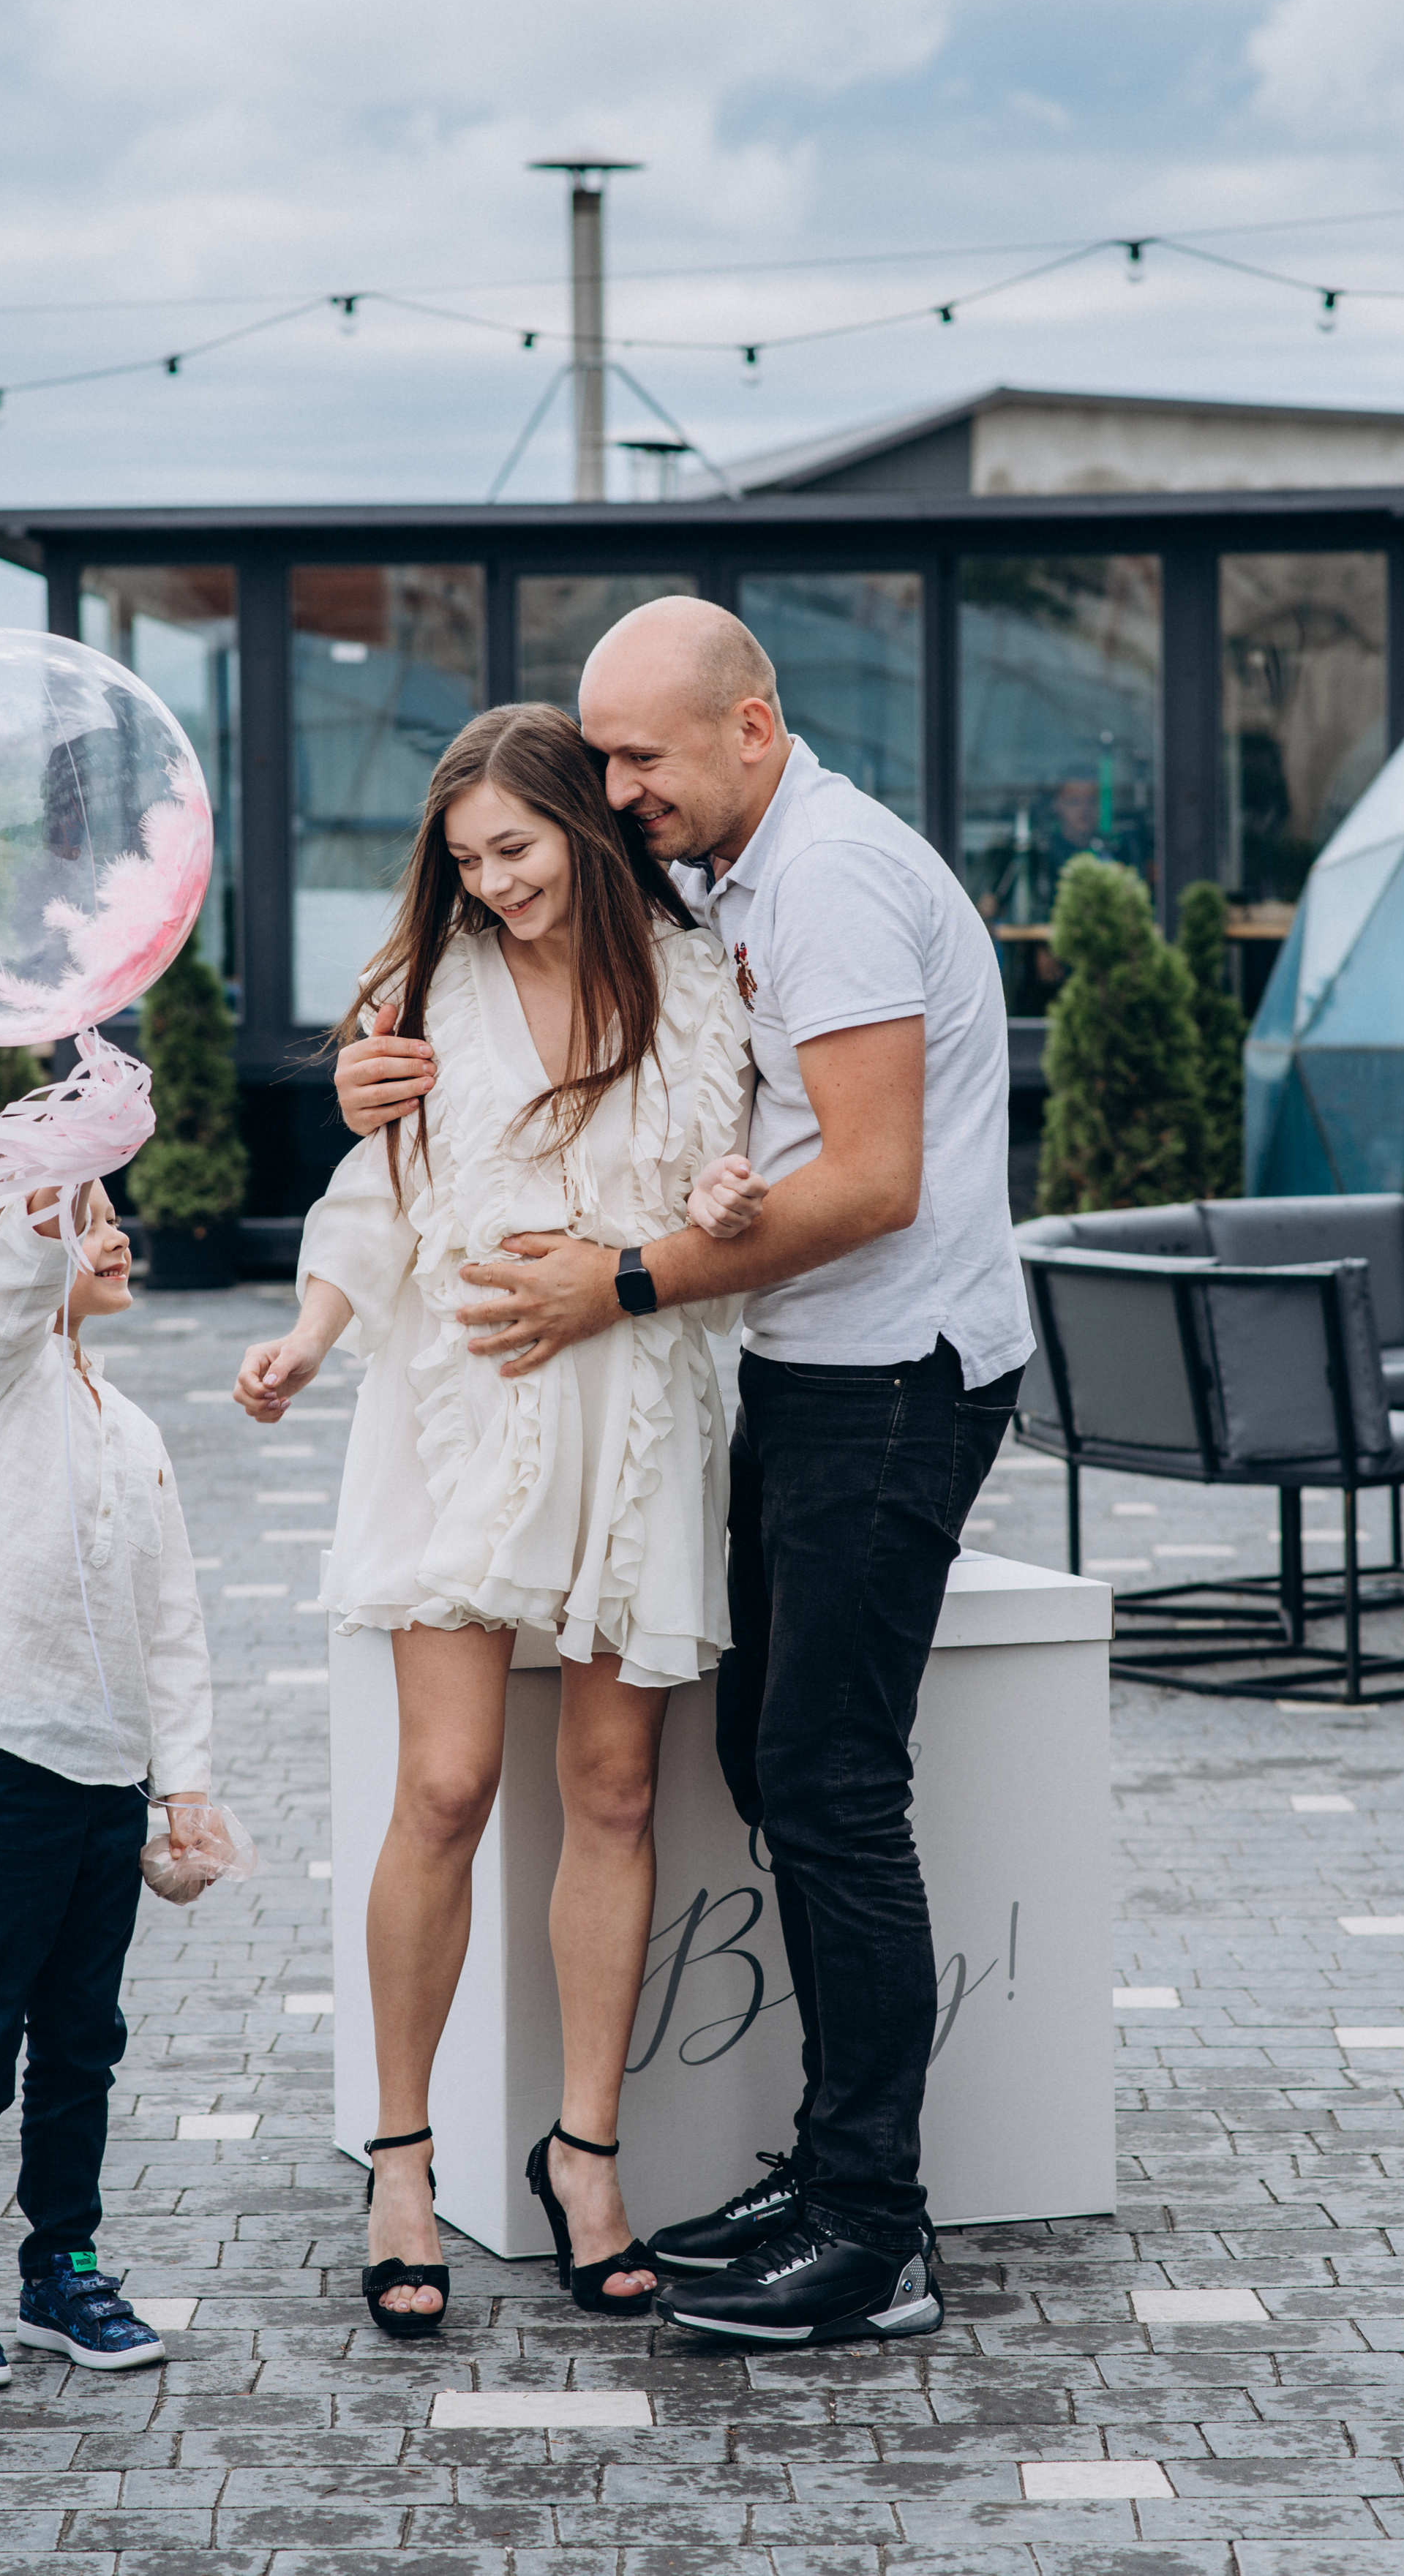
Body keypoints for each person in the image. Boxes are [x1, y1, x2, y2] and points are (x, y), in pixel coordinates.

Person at [334, 599, 1032, 2350]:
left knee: (826, 1785)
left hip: (886, 1383)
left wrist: (620, 1277)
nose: (616, 785)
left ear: (752, 722)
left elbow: (868, 1182)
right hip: (788, 1382)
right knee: (780, 1768)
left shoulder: (826, 883)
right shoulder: (715, 888)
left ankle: (870, 2228)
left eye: (640, 755)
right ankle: (823, 2171)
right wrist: (369, 1084)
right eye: (604, 758)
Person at [233, 702, 763, 2340]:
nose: (494, 883)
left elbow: (728, 1169)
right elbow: (371, 1197)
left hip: (634, 1410)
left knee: (610, 1790)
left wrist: (728, 1202)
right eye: (465, 862)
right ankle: (403, 2160)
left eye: (517, 851)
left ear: (586, 831)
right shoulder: (420, 1002)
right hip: (458, 1405)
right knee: (446, 1783)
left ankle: (583, 2154)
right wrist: (310, 1338)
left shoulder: (694, 980)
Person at [0, 1169, 214, 2391]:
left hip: (106, 1778)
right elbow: (9, 1293)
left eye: (117, 1208)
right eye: (85, 1222)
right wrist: (48, 1177)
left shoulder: (133, 1429)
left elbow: (170, 1619)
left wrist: (185, 1786)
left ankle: (61, 2267)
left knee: (84, 2040)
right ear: (11, 1264)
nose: (114, 1232)